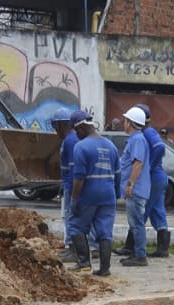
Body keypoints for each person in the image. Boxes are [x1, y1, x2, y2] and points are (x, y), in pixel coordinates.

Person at [67, 111, 120, 277]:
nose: (77, 135)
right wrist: (116, 193)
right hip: (108, 194)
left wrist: (74, 199)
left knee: (76, 226)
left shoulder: (81, 147)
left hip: (89, 194)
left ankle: (83, 263)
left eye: (76, 131)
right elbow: (118, 174)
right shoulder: (111, 146)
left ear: (81, 127)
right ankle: (105, 268)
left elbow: (79, 178)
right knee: (105, 231)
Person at [117, 103, 171, 259]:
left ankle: (132, 248)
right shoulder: (143, 134)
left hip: (152, 177)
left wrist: (148, 167)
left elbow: (160, 148)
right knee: (157, 211)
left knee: (140, 213)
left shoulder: (146, 133)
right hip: (156, 178)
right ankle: (162, 248)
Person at [117, 106, 151, 267]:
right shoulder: (137, 139)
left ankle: (140, 255)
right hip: (136, 188)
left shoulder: (137, 139)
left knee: (136, 223)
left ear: (130, 123)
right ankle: (137, 253)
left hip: (136, 189)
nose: (124, 123)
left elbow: (138, 163)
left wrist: (130, 184)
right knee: (136, 223)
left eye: (125, 120)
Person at [52, 108, 79, 261]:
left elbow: (74, 167)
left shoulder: (70, 141)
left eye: (56, 126)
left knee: (70, 216)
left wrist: (70, 187)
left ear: (60, 125)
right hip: (68, 183)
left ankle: (72, 249)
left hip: (71, 185)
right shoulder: (68, 140)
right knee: (69, 216)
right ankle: (70, 247)